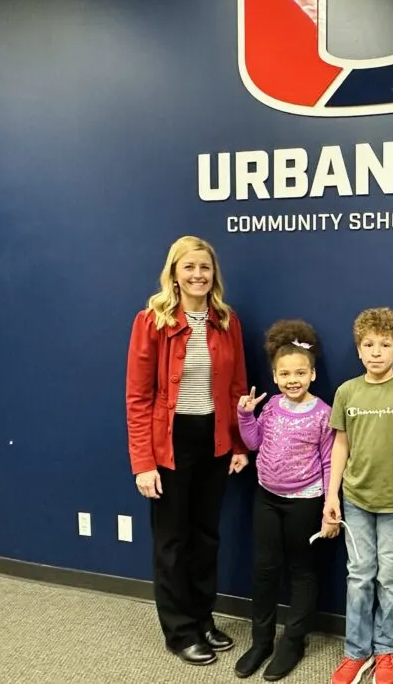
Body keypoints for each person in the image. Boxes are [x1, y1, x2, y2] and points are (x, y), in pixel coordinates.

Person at [126, 235, 250, 666]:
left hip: (214, 438)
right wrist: (144, 463)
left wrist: (237, 442)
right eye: (189, 267)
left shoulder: (225, 320)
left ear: (213, 274)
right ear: (174, 273)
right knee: (172, 540)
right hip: (169, 443)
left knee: (206, 536)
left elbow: (236, 388)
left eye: (205, 268)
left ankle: (202, 618)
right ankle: (179, 632)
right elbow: (138, 397)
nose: (198, 275)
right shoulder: (152, 321)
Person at [323, 307, 393, 684]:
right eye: (368, 345)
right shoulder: (346, 391)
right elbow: (341, 444)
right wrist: (331, 495)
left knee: (390, 577)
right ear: (358, 350)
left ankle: (386, 650)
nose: (376, 352)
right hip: (355, 500)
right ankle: (356, 652)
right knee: (359, 576)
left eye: (385, 345)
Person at [234, 319, 334, 681]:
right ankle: (261, 641)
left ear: (312, 374)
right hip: (267, 497)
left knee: (302, 571)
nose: (293, 379)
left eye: (300, 373)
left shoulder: (323, 413)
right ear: (275, 377)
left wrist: (328, 507)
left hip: (305, 500)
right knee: (264, 570)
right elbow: (253, 442)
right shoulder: (272, 405)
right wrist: (245, 414)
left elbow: (328, 461)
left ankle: (293, 641)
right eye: (285, 373)